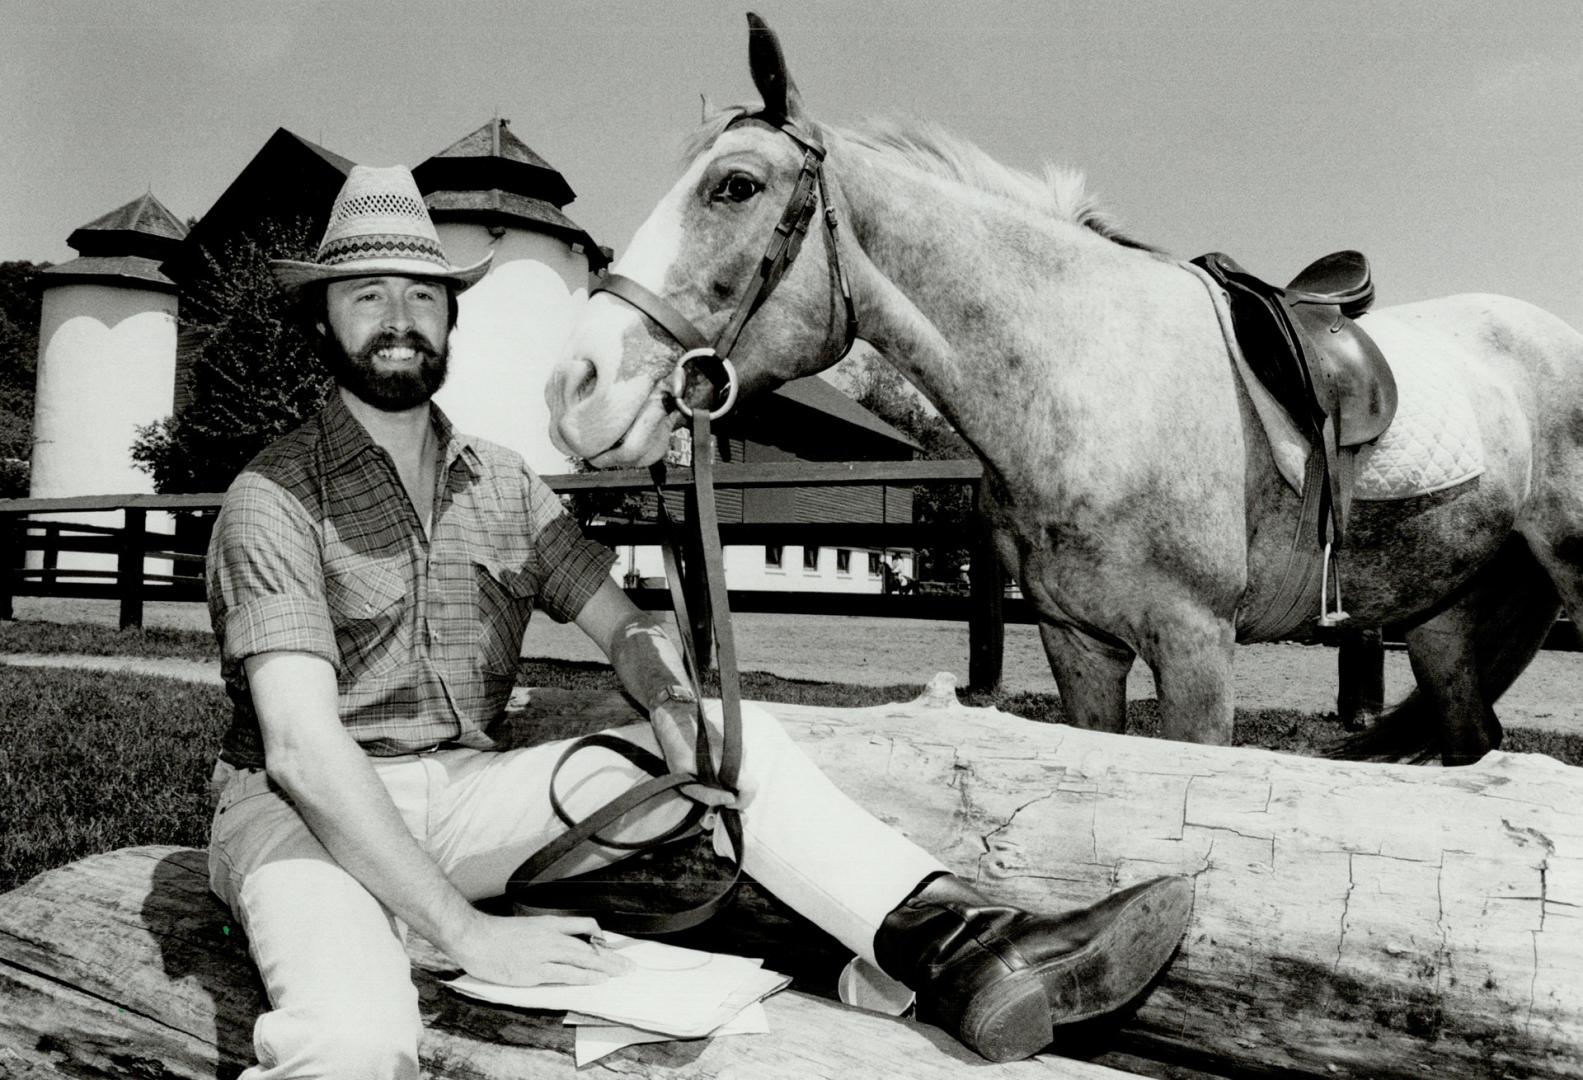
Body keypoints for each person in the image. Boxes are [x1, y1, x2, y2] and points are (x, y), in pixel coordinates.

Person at [204, 164, 1193, 1078]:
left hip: (460, 794)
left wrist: (673, 704)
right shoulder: (274, 496)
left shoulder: (499, 484)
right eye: (367, 294)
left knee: (737, 739)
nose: (399, 318)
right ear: (322, 319)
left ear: (450, 318)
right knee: (351, 1045)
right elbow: (300, 748)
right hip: (304, 813)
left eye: (422, 294)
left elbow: (624, 625)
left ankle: (966, 950)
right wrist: (465, 932)